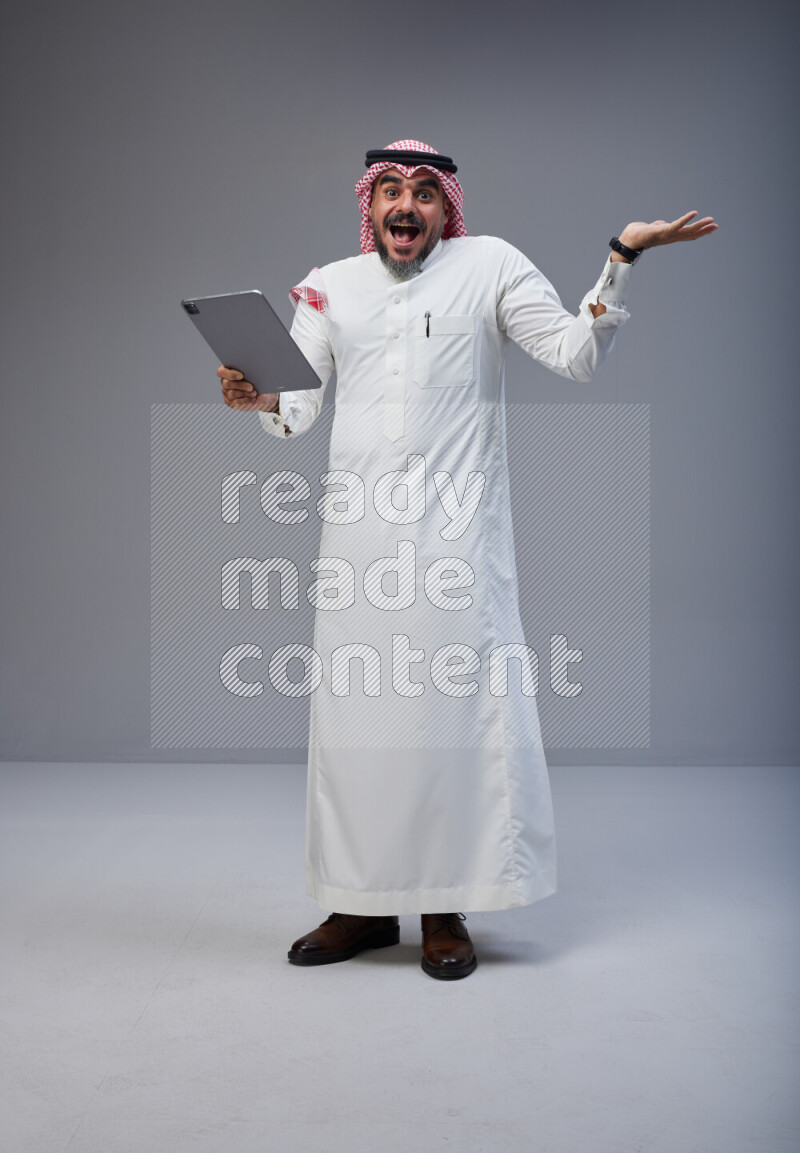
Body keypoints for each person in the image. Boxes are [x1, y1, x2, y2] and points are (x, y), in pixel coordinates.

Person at [218, 139, 717, 981]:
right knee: (358, 723)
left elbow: (575, 353)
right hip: (358, 544)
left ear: (447, 207)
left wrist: (622, 256)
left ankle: (444, 907)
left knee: (451, 718)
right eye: (389, 192)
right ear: (368, 205)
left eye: (423, 192)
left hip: (457, 541)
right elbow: (297, 411)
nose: (405, 206)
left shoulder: (490, 267)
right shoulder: (328, 284)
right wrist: (260, 395)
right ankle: (361, 904)